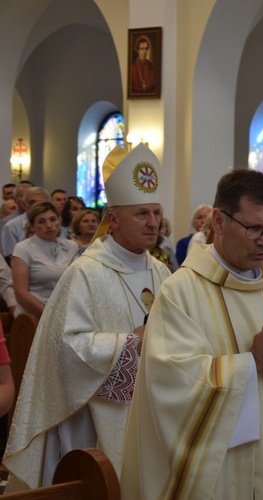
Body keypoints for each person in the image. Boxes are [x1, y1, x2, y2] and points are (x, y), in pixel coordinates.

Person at [120, 169, 263, 498]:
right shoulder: (181, 292)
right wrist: (254, 362)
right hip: (220, 471)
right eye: (254, 229)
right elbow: (171, 383)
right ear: (219, 221)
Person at [3, 144, 171, 489]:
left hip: (153, 410)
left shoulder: (163, 273)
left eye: (156, 212)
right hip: (94, 419)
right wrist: (130, 344)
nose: (153, 222)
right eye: (142, 214)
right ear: (114, 219)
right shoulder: (86, 273)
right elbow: (66, 349)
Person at [11, 202, 79, 318]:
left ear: (59, 221)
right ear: (32, 225)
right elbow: (21, 294)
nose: (49, 225)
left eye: (53, 220)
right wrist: (49, 317)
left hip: (68, 312)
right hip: (34, 316)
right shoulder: (23, 248)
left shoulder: (71, 246)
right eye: (41, 222)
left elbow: (78, 282)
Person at [1, 186, 50, 259]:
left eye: (41, 203)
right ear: (24, 204)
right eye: (32, 202)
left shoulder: (54, 223)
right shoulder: (12, 226)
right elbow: (9, 257)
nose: (36, 206)